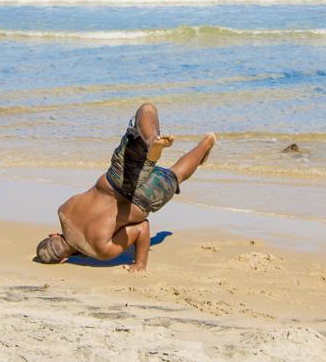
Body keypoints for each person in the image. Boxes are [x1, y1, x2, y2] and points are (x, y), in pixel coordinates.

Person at [35, 103, 216, 272]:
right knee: (145, 110)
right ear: (53, 235)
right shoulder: (64, 211)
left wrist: (139, 263)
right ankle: (152, 139)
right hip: (116, 180)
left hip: (141, 200)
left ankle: (207, 142)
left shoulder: (99, 250)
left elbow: (142, 228)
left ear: (62, 260)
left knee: (177, 174)